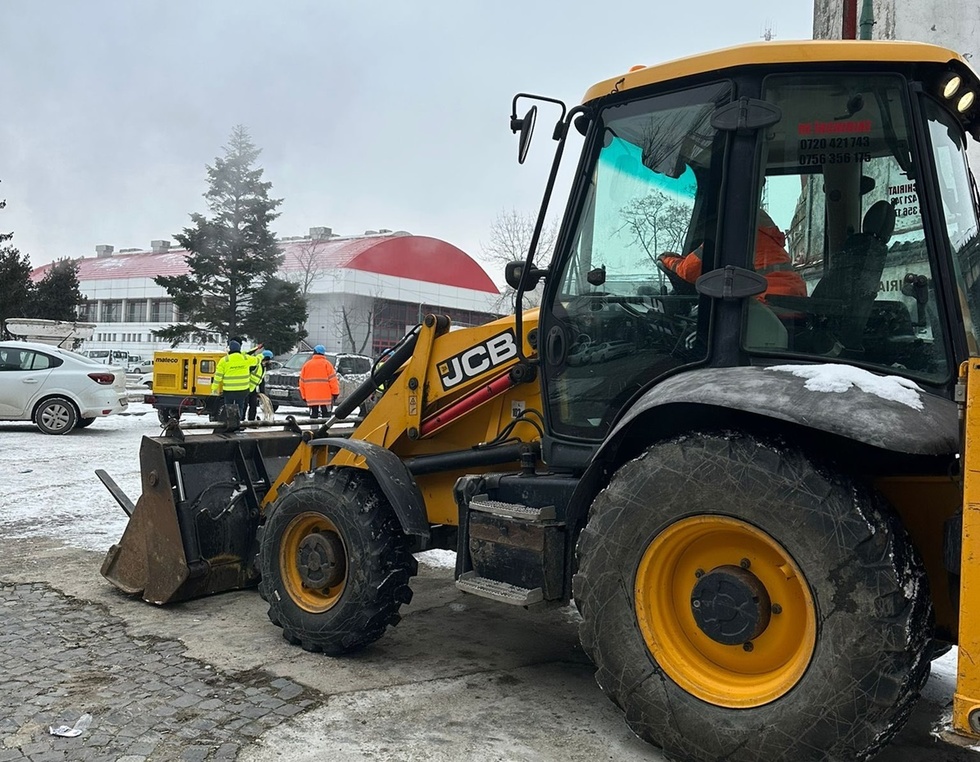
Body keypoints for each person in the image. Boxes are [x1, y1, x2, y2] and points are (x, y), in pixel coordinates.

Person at [657, 208, 807, 300]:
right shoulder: (762, 232)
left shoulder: (732, 227)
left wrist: (666, 260)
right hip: (790, 297)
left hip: (767, 301)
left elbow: (689, 270)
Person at [213, 339, 253, 422]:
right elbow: (256, 360)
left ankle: (229, 422)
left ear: (230, 349)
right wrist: (262, 356)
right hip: (243, 390)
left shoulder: (224, 360)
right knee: (240, 406)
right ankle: (238, 423)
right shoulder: (245, 358)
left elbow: (218, 376)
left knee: (228, 406)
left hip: (229, 390)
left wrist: (214, 388)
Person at [299, 345, 340, 419]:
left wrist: (304, 396)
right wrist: (335, 393)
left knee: (313, 416)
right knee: (326, 416)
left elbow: (302, 382)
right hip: (326, 397)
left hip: (311, 397)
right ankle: (325, 430)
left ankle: (313, 430)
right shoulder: (327, 364)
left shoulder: (307, 365)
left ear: (314, 352)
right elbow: (333, 381)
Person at [246, 349, 275, 421]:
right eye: (269, 360)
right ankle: (241, 422)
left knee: (253, 406)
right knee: (244, 406)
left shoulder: (263, 368)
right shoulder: (255, 365)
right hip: (246, 388)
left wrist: (262, 392)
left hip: (252, 389)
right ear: (266, 358)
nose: (270, 362)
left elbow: (261, 381)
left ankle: (251, 421)